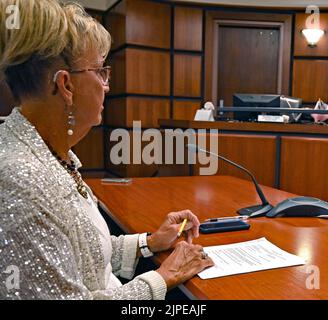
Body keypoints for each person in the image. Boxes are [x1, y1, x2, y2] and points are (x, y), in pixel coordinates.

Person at [0, 0, 213, 300]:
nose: (107, 85)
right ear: (66, 86)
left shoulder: (52, 154)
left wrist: (150, 242)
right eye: (101, 71)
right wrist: (163, 277)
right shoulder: (22, 182)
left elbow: (84, 255)